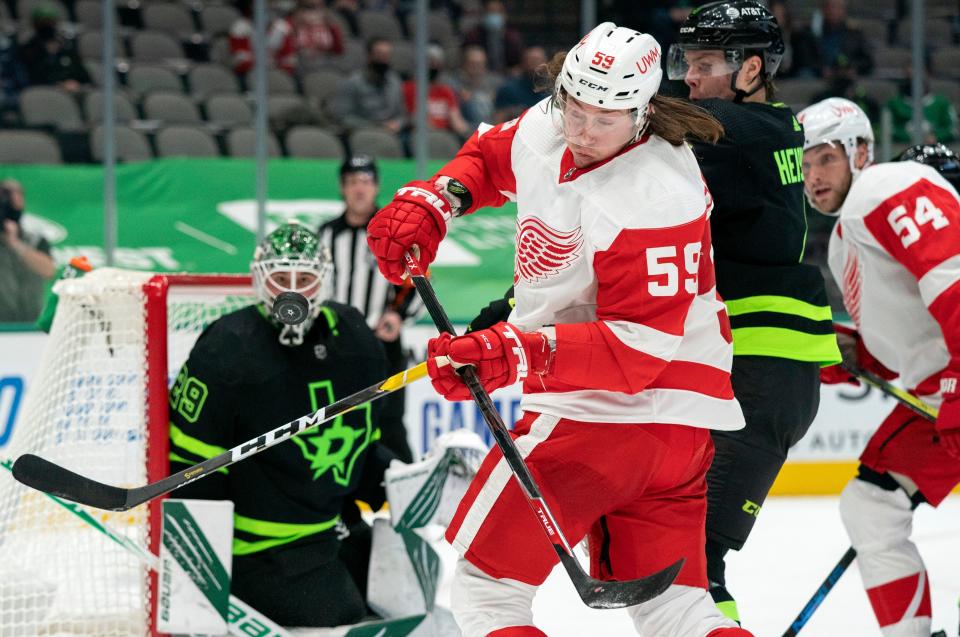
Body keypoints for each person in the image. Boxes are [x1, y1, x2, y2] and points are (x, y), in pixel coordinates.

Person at [366, 21, 753, 637]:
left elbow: (634, 352)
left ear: (644, 110)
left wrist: (512, 353)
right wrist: (437, 201)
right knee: (674, 608)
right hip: (676, 438)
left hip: (612, 414)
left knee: (488, 592)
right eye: (576, 107)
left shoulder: (657, 194)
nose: (583, 130)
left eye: (605, 118)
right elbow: (493, 157)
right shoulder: (552, 121)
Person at [666, 1, 842, 622]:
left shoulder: (759, 130)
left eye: (705, 62)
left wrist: (595, 103)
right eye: (686, 60)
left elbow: (685, 123)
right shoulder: (750, 134)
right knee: (679, 553)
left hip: (763, 375)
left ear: (752, 70)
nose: (688, 74)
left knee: (693, 562)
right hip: (746, 369)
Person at [168, 222, 400, 627]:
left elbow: (364, 450)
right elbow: (192, 474)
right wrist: (202, 578)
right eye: (280, 278)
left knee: (401, 589)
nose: (292, 292)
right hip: (257, 549)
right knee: (340, 612)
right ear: (261, 280)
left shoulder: (357, 340)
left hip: (329, 528)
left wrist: (401, 481)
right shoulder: (227, 347)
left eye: (305, 278)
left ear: (324, 281)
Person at [799, 99, 960, 637]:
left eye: (824, 158)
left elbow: (953, 276)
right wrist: (857, 354)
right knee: (872, 504)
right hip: (940, 390)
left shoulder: (885, 185)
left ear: (861, 151)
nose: (813, 176)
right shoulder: (846, 237)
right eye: (805, 165)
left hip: (954, 384)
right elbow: (908, 332)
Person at [318, 155, 421, 463]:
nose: (358, 189)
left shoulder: (393, 232)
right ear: (342, 188)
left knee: (389, 424)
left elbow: (418, 278)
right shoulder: (326, 234)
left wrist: (397, 315)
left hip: (382, 344)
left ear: (376, 187)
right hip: (337, 343)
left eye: (365, 182)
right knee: (337, 421)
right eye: (352, 182)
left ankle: (406, 494)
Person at [0, 179, 55, 323]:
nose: (12, 198)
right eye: (6, 194)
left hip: (30, 325)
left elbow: (49, 271)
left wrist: (15, 243)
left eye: (17, 193)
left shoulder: (35, 240)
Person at [332, 37, 406, 134]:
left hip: (394, 133)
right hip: (366, 132)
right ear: (369, 56)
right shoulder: (352, 82)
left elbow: (401, 114)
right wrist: (376, 126)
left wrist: (397, 124)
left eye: (387, 55)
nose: (383, 59)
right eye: (379, 54)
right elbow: (343, 117)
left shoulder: (395, 81)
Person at [402, 44, 471, 139]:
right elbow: (415, 118)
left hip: (446, 136)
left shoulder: (445, 90)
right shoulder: (410, 88)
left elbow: (456, 120)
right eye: (430, 62)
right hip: (422, 136)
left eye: (436, 63)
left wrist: (470, 134)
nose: (434, 66)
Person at [19, 4, 90, 92]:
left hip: (73, 91)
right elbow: (30, 78)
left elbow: (84, 76)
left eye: (51, 21)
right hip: (45, 92)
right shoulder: (29, 49)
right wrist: (58, 84)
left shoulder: (66, 48)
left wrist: (76, 83)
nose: (48, 25)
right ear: (35, 24)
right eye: (43, 22)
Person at [461, 0, 524, 73]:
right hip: (480, 74)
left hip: (507, 75)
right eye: (490, 11)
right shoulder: (473, 35)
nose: (494, 15)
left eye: (497, 11)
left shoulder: (513, 36)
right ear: (483, 14)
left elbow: (519, 61)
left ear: (504, 15)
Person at [492, 45, 547, 123]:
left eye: (537, 60)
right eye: (531, 60)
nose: (535, 65)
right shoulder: (507, 89)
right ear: (523, 63)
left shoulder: (555, 90)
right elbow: (498, 120)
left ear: (546, 63)